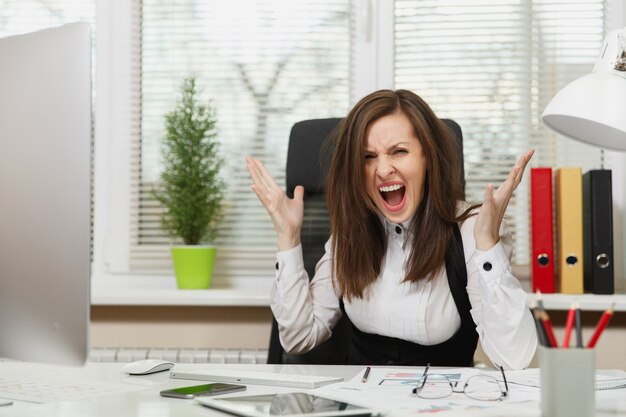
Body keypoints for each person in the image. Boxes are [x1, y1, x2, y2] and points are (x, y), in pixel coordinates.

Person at [246, 89, 537, 370]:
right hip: (360, 403)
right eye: (368, 157)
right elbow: (299, 339)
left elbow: (513, 358)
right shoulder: (351, 232)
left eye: (398, 151)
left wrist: (487, 244)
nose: (382, 169)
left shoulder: (471, 229)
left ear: (428, 158)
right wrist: (288, 235)